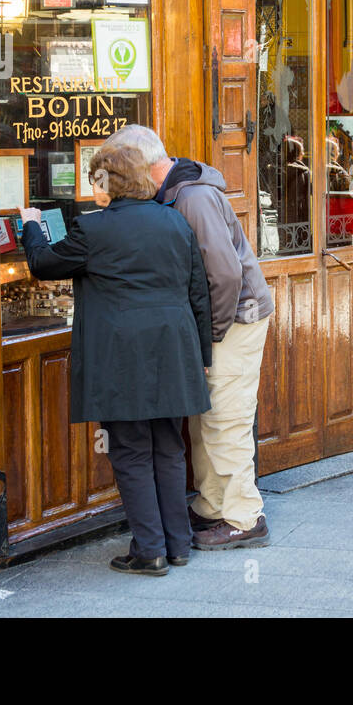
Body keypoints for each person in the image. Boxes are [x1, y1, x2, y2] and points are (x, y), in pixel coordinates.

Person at [20, 143, 213, 575]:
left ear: (107, 183)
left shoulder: (94, 230)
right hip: (173, 350)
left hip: (122, 357)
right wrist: (201, 356)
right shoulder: (174, 222)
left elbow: (43, 264)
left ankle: (150, 551)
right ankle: (178, 544)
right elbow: (197, 292)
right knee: (169, 446)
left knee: (129, 451)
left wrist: (31, 225)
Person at [105, 124, 276, 550]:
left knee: (226, 419)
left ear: (142, 165)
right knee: (206, 418)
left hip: (234, 319)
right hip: (224, 319)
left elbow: (224, 275)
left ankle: (243, 517)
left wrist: (210, 339)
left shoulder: (192, 198)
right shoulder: (177, 192)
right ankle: (212, 505)